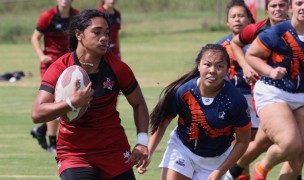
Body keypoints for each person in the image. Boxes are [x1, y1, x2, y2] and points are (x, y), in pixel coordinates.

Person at [31, 9, 149, 180]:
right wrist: (72, 102)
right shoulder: (59, 68)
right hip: (74, 154)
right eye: (96, 32)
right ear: (79, 34)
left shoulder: (118, 68)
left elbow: (139, 104)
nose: (104, 38)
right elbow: (37, 113)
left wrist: (142, 142)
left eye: (107, 33)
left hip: (113, 150)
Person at [138, 44, 252, 180]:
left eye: (219, 66)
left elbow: (242, 142)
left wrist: (220, 171)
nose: (212, 70)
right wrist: (149, 152)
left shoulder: (235, 100)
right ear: (198, 66)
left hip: (216, 160)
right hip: (182, 149)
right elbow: (162, 123)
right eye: (207, 64)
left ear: (227, 69)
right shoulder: (183, 91)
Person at [224, 0, 290, 179]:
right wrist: (246, 66)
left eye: (282, 5)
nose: (277, 9)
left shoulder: (297, 28)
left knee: (289, 144)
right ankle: (241, 171)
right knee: (281, 141)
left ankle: (233, 172)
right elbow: (235, 44)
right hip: (265, 94)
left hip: (295, 92)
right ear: (266, 8)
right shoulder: (256, 30)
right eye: (273, 5)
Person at [244, 0, 304, 179]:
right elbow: (251, 55)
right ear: (291, 7)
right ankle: (261, 169)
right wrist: (270, 71)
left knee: (299, 154)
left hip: (301, 95)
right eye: (299, 3)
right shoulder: (278, 31)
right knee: (290, 144)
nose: (303, 7)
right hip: (274, 91)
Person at [30, 0, 78, 153]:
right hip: (50, 65)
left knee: (67, 102)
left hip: (69, 64)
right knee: (53, 101)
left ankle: (41, 131)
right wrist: (41, 55)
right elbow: (35, 37)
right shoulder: (48, 16)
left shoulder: (76, 16)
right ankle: (52, 143)